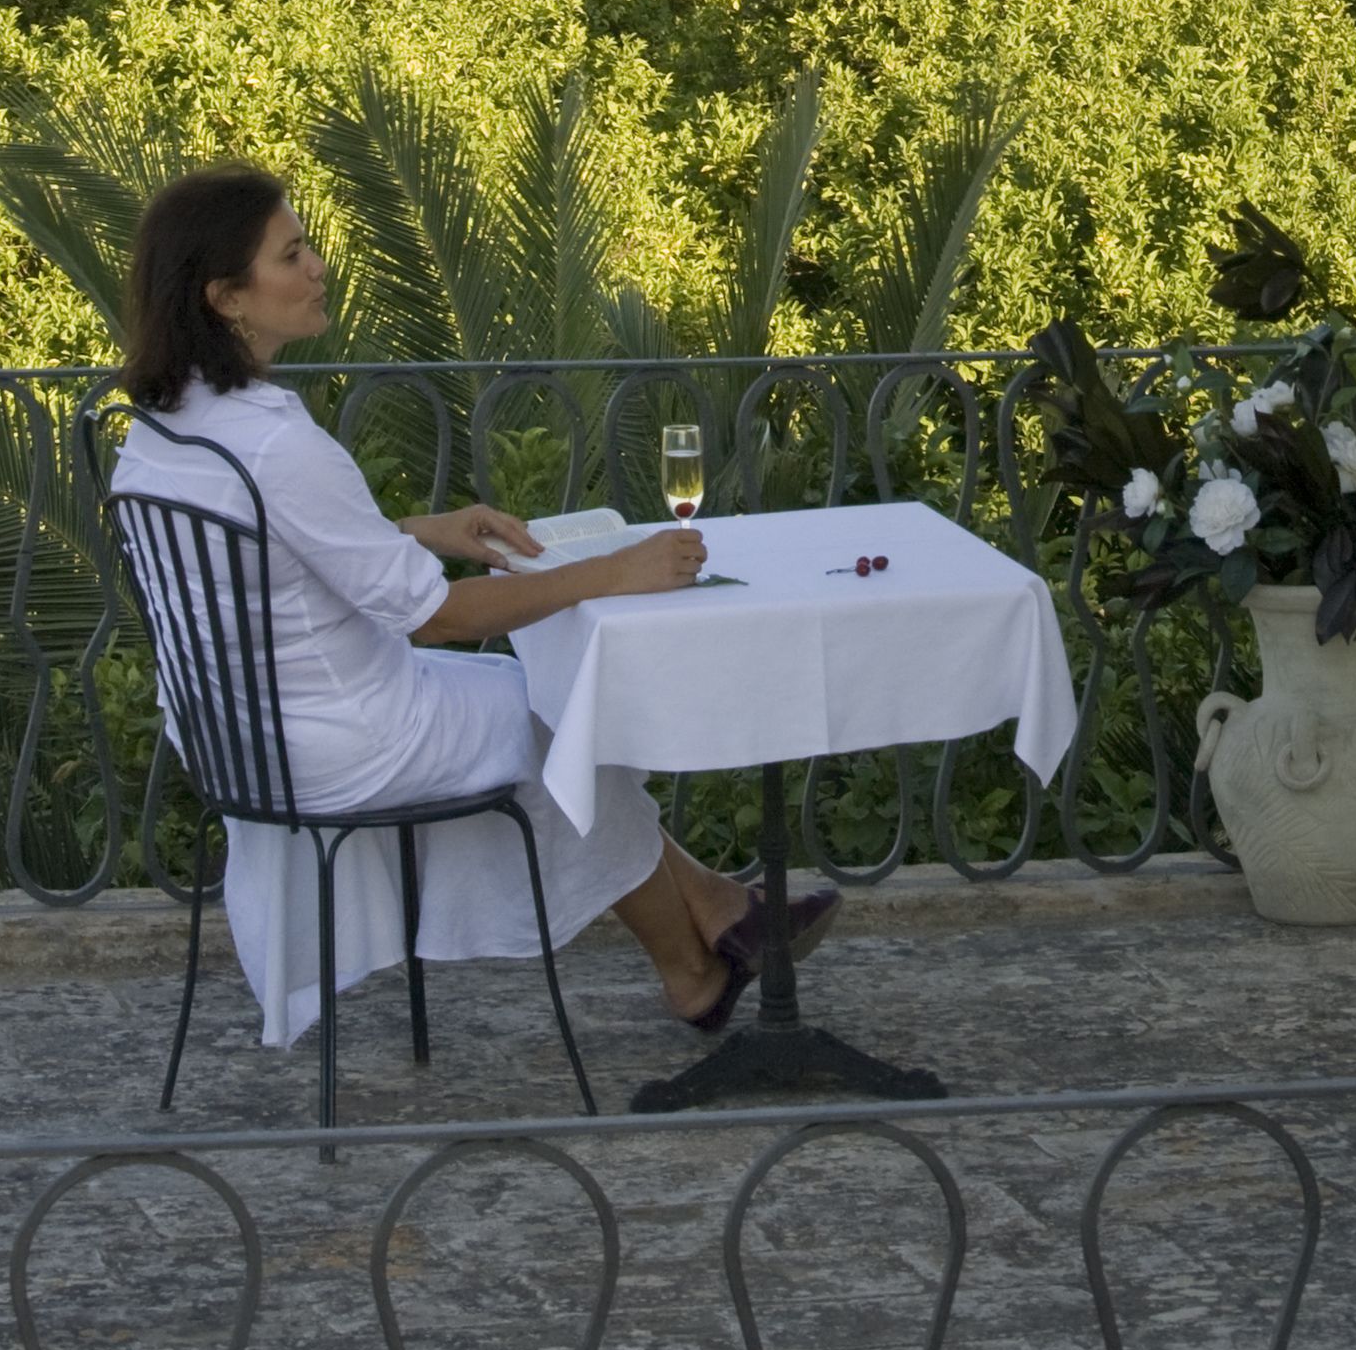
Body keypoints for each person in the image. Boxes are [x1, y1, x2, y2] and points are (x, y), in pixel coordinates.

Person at [106, 163, 832, 1058]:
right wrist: (612, 569)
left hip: (244, 736)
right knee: (564, 719)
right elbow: (434, 619)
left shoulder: (164, 427)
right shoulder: (277, 439)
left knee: (539, 710)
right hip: (343, 739)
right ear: (225, 297)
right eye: (291, 254)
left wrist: (423, 527)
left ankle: (719, 920)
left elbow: (267, 551)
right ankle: (697, 965)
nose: (318, 265)